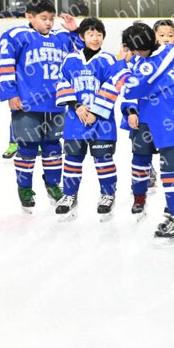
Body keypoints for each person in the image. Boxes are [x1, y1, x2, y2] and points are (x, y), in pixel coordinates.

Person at [118, 22, 174, 243]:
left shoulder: (149, 66)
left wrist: (121, 64)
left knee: (172, 172)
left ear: (136, 49)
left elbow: (129, 89)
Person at [0, 0, 80, 213]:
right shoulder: (16, 36)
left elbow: (82, 56)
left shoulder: (62, 38)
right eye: (44, 18)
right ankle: (24, 187)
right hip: (27, 104)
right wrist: (10, 94)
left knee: (53, 147)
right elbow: (5, 65)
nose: (49, 22)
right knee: (27, 147)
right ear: (29, 17)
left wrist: (74, 31)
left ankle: (53, 184)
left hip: (56, 103)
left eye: (51, 18)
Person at [53, 17, 125, 221]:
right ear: (82, 37)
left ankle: (107, 194)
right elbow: (62, 83)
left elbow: (113, 86)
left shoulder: (108, 60)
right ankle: (69, 195)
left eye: (99, 34)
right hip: (75, 120)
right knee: (72, 159)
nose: (95, 38)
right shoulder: (70, 60)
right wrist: (76, 106)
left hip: (102, 121)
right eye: (90, 34)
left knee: (103, 160)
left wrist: (95, 112)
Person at [120, 20, 174, 217]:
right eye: (161, 35)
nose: (165, 39)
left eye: (169, 35)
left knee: (172, 162)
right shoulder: (137, 61)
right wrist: (131, 111)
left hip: (168, 118)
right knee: (140, 157)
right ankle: (139, 196)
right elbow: (128, 90)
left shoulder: (173, 57)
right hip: (144, 118)